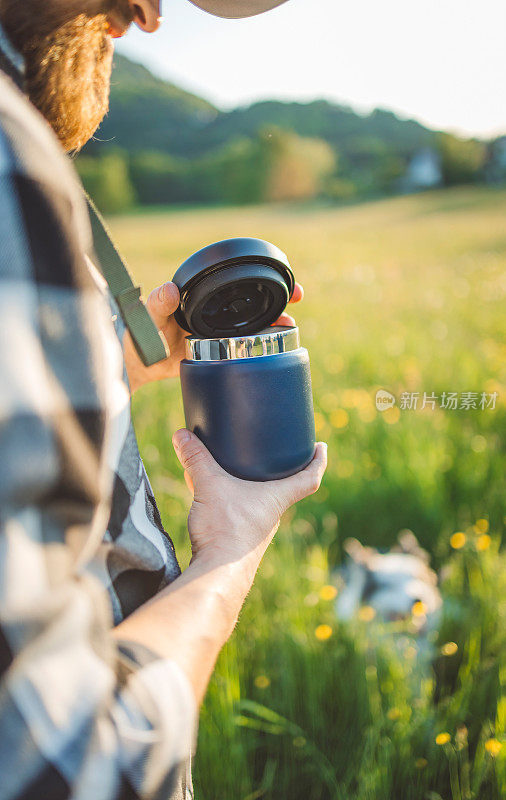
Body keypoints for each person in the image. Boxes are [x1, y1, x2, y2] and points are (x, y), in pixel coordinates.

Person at [0, 1, 327, 798]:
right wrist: (230, 550)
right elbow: (71, 765)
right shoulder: (12, 158)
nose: (146, 14)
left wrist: (104, 357)